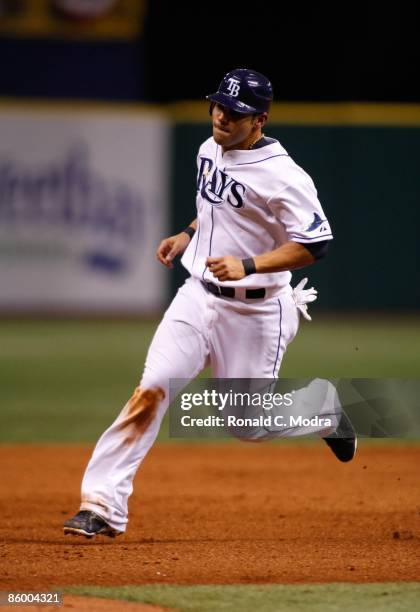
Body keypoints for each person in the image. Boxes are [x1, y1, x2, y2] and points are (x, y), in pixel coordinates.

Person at [63, 68, 356, 539]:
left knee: (247, 425)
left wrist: (251, 264)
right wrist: (186, 234)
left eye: (235, 111)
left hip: (258, 309)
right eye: (218, 104)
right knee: (152, 387)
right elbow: (215, 207)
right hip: (197, 297)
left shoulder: (284, 176)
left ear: (258, 120)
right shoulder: (209, 148)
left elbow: (316, 243)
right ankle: (101, 505)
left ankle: (324, 408)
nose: (222, 115)